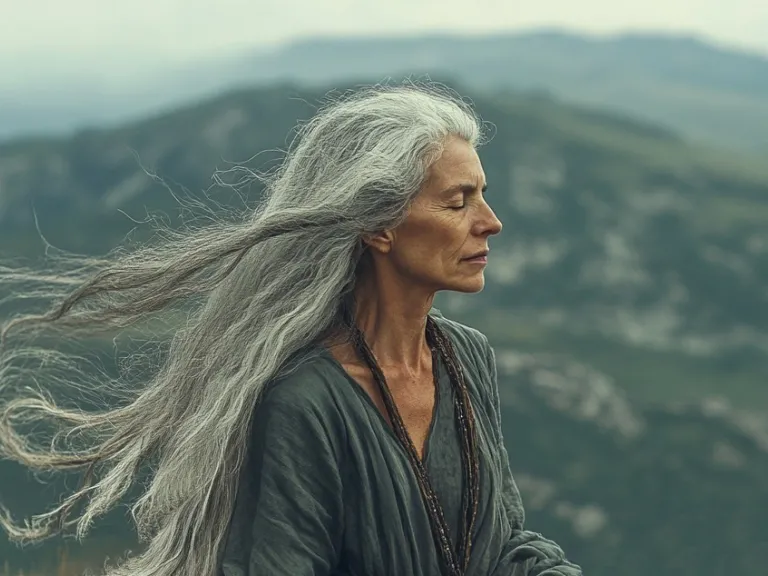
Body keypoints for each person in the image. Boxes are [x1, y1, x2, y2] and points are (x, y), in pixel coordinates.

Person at [0, 82, 581, 576]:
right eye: (458, 202)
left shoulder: (466, 355)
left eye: (483, 196)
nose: (491, 222)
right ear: (379, 226)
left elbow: (505, 541)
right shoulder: (305, 400)